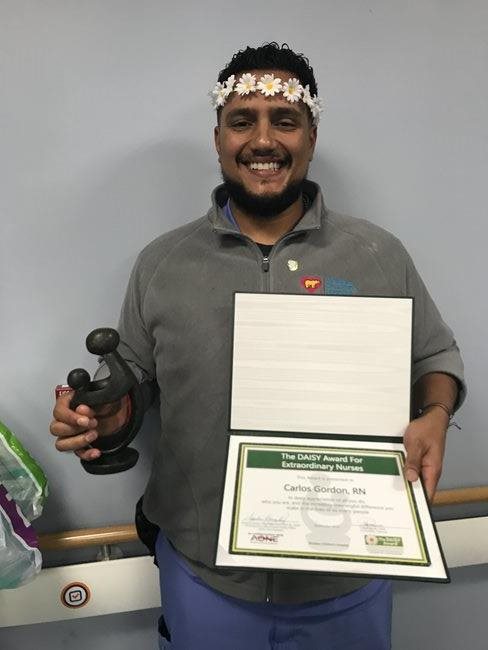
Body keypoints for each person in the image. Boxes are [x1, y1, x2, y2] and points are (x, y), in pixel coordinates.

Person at [50, 43, 465, 649]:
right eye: (242, 121)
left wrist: (434, 414)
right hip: (204, 575)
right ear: (218, 137)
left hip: (349, 574)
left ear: (312, 135)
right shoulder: (161, 263)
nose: (263, 140)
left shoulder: (378, 255)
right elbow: (132, 383)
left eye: (285, 121)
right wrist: (108, 418)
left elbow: (435, 359)